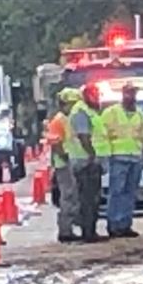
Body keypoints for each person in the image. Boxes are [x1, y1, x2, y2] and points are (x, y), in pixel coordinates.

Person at [52, 85, 102, 241]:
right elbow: (56, 143)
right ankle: (65, 231)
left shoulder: (68, 118)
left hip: (71, 160)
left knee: (77, 197)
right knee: (68, 197)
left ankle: (75, 228)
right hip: (64, 164)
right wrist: (65, 157)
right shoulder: (59, 120)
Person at [97, 82, 143, 236]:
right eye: (128, 93)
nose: (130, 96)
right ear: (123, 94)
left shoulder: (140, 114)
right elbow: (101, 134)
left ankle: (125, 224)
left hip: (135, 158)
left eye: (133, 93)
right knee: (117, 192)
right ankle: (114, 225)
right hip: (118, 157)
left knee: (130, 192)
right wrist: (105, 154)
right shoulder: (111, 113)